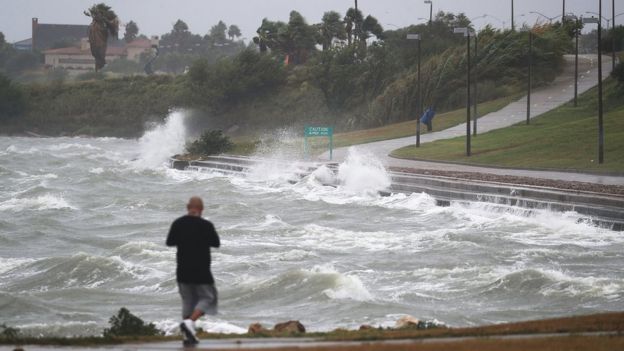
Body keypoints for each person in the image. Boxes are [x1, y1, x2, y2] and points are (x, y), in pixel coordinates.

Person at [166, 196, 220, 346]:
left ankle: (187, 336)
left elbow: (170, 242)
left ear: (187, 207)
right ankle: (190, 323)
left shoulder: (178, 223)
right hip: (201, 270)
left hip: (182, 269)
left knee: (187, 302)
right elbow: (216, 243)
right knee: (209, 298)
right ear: (202, 209)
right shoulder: (206, 225)